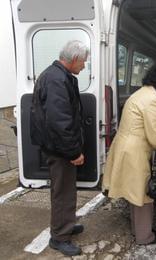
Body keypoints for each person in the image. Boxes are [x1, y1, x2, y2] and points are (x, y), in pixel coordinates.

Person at [102, 63, 156, 245]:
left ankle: (139, 231)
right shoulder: (154, 99)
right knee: (144, 194)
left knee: (134, 192)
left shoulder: (140, 93)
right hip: (135, 150)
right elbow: (155, 137)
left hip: (125, 146)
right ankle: (145, 237)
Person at [30, 40, 89, 256]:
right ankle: (59, 237)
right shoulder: (56, 80)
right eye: (83, 62)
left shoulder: (59, 76)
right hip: (60, 149)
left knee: (65, 190)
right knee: (62, 192)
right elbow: (59, 121)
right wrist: (73, 152)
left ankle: (66, 224)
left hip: (58, 146)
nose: (84, 66)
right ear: (73, 60)